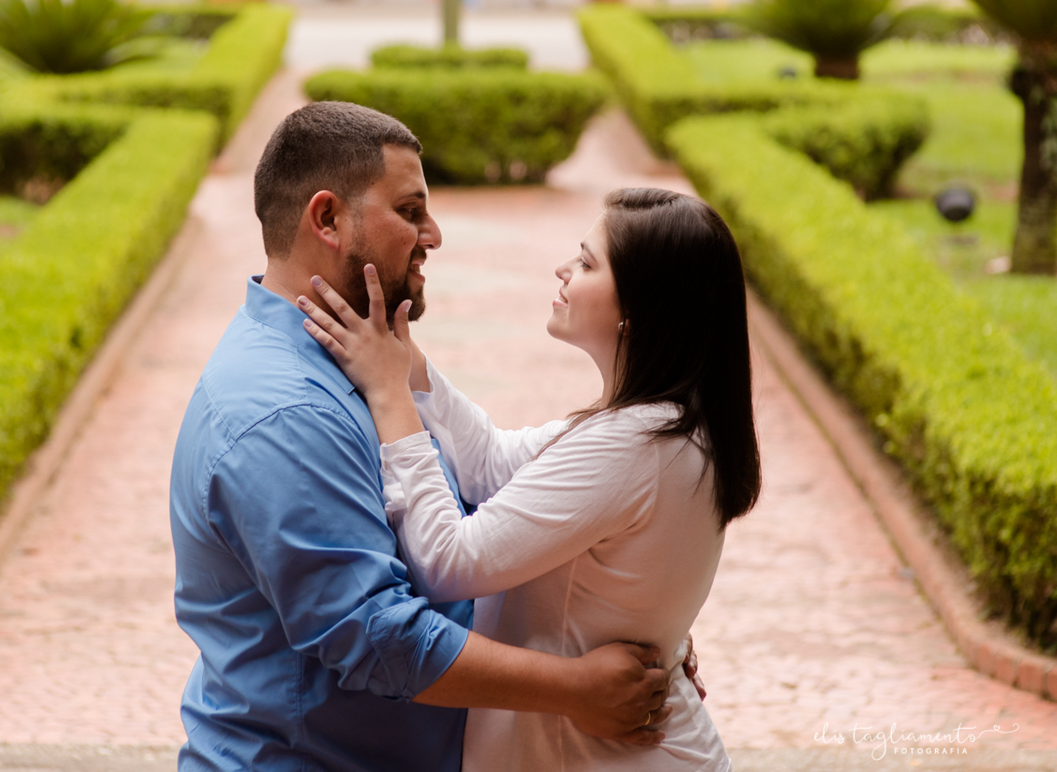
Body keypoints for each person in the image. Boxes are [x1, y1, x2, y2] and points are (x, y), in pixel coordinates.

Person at [168, 103, 694, 772]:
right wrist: (576, 689)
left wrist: (631, 619)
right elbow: (377, 636)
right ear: (327, 220)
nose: (434, 235)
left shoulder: (365, 359)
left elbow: (492, 493)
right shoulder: (284, 414)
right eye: (410, 211)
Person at [298, 187, 761, 771]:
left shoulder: (638, 444)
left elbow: (448, 561)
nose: (563, 269)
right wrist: (404, 362)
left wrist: (390, 396)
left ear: (640, 307)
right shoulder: (662, 428)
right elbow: (493, 460)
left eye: (587, 263)